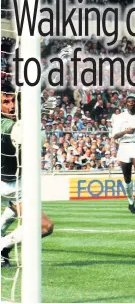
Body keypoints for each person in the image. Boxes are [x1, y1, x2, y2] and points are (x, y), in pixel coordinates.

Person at [1, 86, 54, 267]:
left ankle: (3, 246)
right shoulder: (6, 124)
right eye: (5, 102)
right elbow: (16, 132)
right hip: (4, 182)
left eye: (13, 100)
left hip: (16, 185)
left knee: (45, 226)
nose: (11, 105)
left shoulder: (21, 118)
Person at [112, 95, 135, 214]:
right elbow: (115, 136)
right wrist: (125, 132)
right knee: (127, 178)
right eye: (129, 102)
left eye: (133, 102)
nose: (131, 104)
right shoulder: (120, 118)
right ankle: (130, 200)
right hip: (124, 146)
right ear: (125, 104)